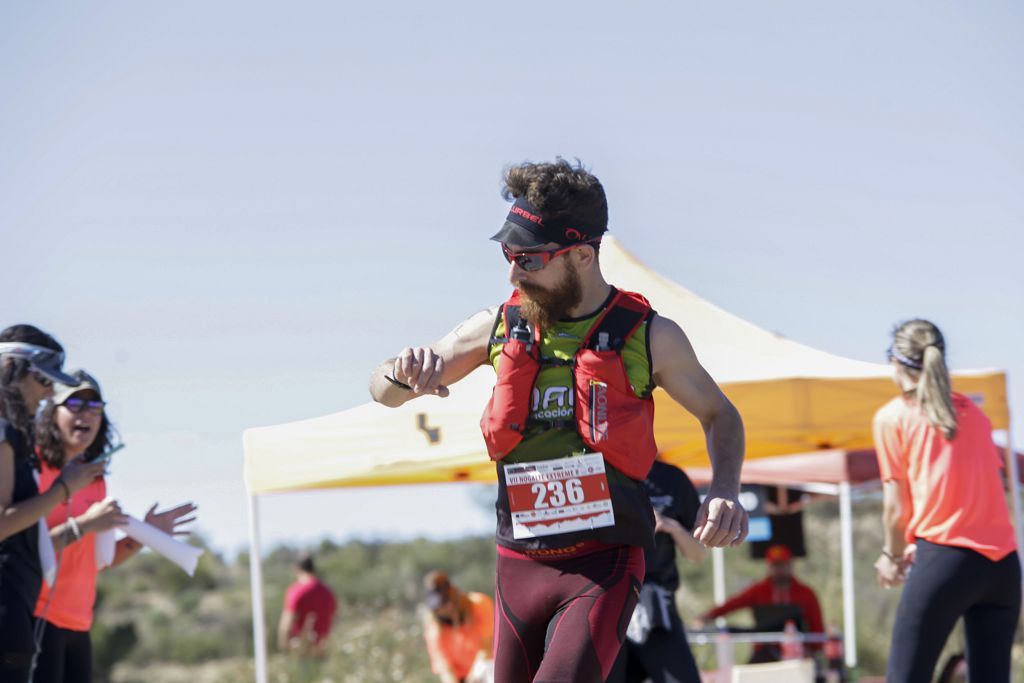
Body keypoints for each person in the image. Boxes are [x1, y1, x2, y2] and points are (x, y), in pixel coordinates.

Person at [369, 159, 748, 682]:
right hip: (518, 565)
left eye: (529, 258)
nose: (512, 272)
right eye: (508, 254)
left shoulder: (650, 336)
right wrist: (402, 371)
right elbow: (383, 392)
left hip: (604, 566)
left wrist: (725, 487)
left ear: (583, 255)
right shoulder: (498, 327)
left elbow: (720, 415)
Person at [873, 319, 1019, 683]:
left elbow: (895, 509)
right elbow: (985, 493)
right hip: (1003, 567)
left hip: (945, 560)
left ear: (894, 361)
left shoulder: (894, 416)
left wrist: (892, 556)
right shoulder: (976, 415)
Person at [32, 370, 198, 683]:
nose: (87, 414)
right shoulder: (33, 468)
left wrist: (145, 536)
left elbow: (97, 563)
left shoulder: (94, 480)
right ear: (52, 411)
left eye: (95, 407)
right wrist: (86, 523)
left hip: (79, 624)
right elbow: (24, 546)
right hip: (36, 619)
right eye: (76, 403)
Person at [0, 325, 105, 683]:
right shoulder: (3, 431)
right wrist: (63, 489)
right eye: (43, 381)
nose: (47, 394)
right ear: (11, 368)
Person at [608, 459, 705, 683]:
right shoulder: (598, 468)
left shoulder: (672, 479)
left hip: (657, 604)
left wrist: (670, 526)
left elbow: (698, 555)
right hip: (608, 601)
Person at [698, 544, 824, 663]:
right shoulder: (758, 590)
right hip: (764, 653)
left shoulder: (806, 593)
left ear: (790, 565)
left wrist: (814, 650)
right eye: (775, 565)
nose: (779, 570)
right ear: (769, 567)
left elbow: (817, 625)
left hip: (798, 654)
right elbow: (733, 604)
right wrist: (707, 617)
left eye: (783, 565)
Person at [421, 570, 494, 683]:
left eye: (447, 601)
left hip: (487, 669)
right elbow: (446, 671)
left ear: (454, 593)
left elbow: (487, 649)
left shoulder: (479, 604)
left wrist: (473, 678)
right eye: (440, 605)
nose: (446, 607)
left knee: (486, 668)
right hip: (462, 679)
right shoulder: (434, 631)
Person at [277, 553, 337, 657]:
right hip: (322, 652)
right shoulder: (328, 592)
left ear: (297, 568)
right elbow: (334, 619)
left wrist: (285, 648)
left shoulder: (297, 591)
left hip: (301, 652)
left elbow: (285, 625)